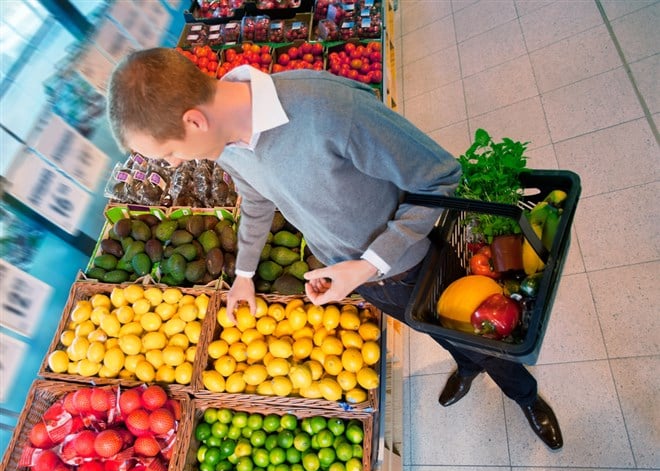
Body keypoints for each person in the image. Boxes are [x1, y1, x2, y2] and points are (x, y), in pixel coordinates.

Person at [107, 47, 563, 450]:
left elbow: (442, 178)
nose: (172, 165)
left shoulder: (331, 110)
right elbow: (259, 199)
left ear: (193, 120)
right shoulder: (224, 142)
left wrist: (367, 264)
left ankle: (524, 395)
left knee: (484, 337)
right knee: (438, 330)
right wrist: (243, 276)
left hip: (416, 259)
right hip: (364, 280)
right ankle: (465, 362)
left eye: (167, 153)